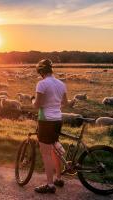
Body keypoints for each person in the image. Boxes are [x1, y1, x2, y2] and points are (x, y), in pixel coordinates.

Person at [32, 59, 74, 194]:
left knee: (46, 154)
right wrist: (54, 106)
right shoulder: (61, 84)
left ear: (41, 71)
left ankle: (50, 185)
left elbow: (37, 105)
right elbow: (65, 103)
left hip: (45, 121)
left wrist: (32, 100)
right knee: (55, 149)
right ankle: (58, 178)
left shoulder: (42, 84)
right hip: (57, 119)